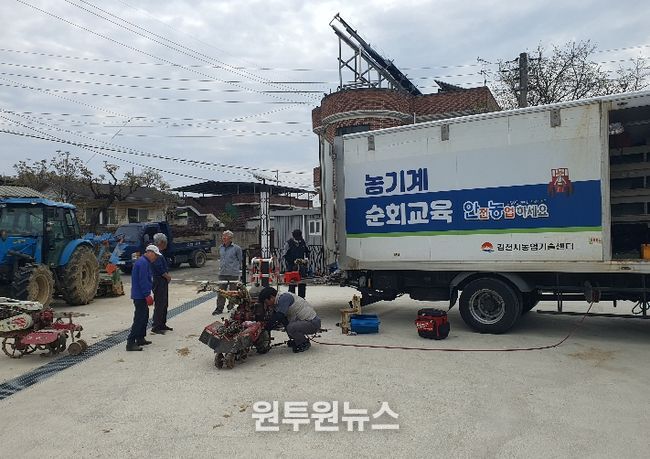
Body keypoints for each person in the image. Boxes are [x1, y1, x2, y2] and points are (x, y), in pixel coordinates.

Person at [259, 286, 321, 353]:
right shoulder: (278, 300)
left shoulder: (284, 298)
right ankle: (297, 340)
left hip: (313, 323)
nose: (266, 304)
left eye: (266, 302)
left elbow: (279, 316)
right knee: (285, 322)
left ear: (271, 297)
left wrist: (266, 327)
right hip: (305, 322)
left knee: (290, 327)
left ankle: (304, 343)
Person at [126, 244, 161, 351]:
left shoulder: (143, 262)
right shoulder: (143, 263)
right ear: (150, 253)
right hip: (140, 296)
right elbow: (143, 280)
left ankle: (140, 338)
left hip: (140, 295)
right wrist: (147, 294)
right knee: (139, 319)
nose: (156, 258)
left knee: (144, 317)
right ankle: (130, 342)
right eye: (155, 255)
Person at [213, 230, 243, 315]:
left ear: (230, 238)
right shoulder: (221, 247)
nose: (223, 238)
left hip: (233, 273)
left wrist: (236, 269)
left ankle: (231, 307)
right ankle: (219, 308)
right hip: (222, 273)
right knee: (221, 292)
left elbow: (240, 259)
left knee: (232, 292)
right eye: (223, 237)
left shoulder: (237, 248)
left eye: (225, 237)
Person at [151, 233, 172, 335]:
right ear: (161, 242)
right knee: (160, 303)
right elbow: (159, 268)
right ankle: (156, 326)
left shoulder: (159, 253)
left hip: (162, 281)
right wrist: (167, 276)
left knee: (164, 303)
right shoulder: (156, 254)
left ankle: (162, 323)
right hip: (159, 280)